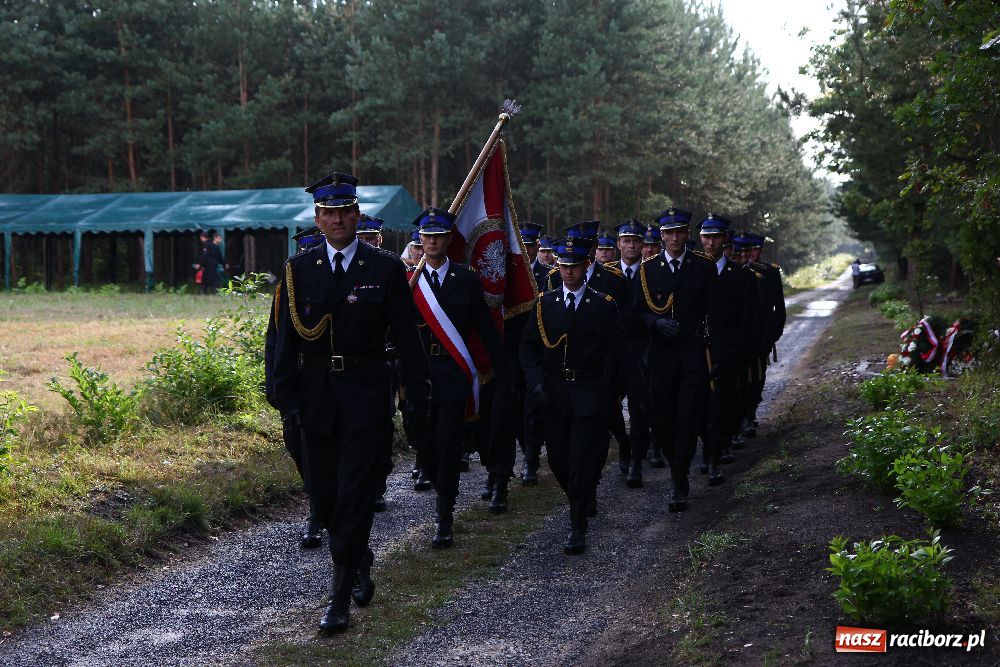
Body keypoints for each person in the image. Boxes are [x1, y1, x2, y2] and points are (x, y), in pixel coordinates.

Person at [271, 172, 430, 634]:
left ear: (357, 215)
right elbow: (285, 341)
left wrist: (416, 393)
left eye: (345, 211)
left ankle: (338, 598)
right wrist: (285, 398)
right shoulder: (299, 269)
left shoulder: (383, 268)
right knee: (324, 496)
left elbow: (407, 336)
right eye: (329, 213)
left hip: (366, 394)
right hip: (316, 397)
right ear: (318, 218)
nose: (338, 219)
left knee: (356, 496)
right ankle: (359, 556)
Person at [520, 235, 648, 554]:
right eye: (563, 266)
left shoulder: (602, 305)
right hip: (554, 395)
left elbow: (622, 351)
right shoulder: (545, 303)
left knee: (581, 458)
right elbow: (528, 348)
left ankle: (577, 525)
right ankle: (581, 494)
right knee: (559, 460)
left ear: (586, 265)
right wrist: (536, 382)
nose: (568, 272)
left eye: (574, 266)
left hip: (589, 392)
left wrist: (639, 390)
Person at [407, 207, 510, 548]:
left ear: (449, 239)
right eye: (427, 237)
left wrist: (503, 371)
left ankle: (444, 515)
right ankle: (440, 485)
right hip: (420, 377)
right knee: (423, 443)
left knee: (449, 443)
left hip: (453, 375)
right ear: (420, 240)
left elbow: (484, 328)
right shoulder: (410, 283)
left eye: (438, 237)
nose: (432, 242)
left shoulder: (465, 280)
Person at [632, 208, 720, 512]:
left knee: (688, 418)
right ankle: (675, 463)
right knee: (661, 419)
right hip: (661, 357)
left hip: (693, 353)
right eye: (668, 233)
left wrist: (716, 357)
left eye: (679, 232)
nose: (674, 238)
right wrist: (655, 323)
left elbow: (715, 314)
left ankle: (678, 480)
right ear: (661, 236)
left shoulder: (703, 267)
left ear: (687, 234)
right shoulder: (648, 270)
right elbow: (636, 311)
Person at [264, 225, 327, 549]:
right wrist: (273, 384)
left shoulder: (330, 287)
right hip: (295, 381)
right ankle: (318, 498)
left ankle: (319, 512)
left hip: (324, 381)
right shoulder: (284, 291)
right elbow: (274, 341)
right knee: (296, 443)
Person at [696, 214, 754, 485]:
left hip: (727, 352)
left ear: (725, 239)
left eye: (716, 237)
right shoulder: (692, 270)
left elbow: (747, 319)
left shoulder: (740, 275)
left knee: (721, 405)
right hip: (696, 350)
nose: (711, 243)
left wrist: (741, 353)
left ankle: (714, 456)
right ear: (700, 239)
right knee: (698, 405)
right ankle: (706, 447)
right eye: (707, 237)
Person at [196, 229, 225, 294]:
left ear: (202, 237)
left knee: (211, 280)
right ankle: (204, 292)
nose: (221, 240)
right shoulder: (212, 245)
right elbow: (218, 258)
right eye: (219, 238)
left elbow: (205, 255)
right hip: (210, 266)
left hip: (209, 266)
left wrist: (200, 264)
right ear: (215, 238)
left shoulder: (208, 245)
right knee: (207, 280)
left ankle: (211, 292)